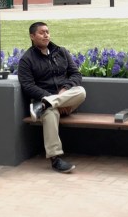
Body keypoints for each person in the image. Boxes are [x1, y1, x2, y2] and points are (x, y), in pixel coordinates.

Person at [18, 22, 86, 173]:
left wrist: (64, 90)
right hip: (46, 99)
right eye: (42, 32)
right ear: (32, 36)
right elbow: (28, 85)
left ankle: (47, 104)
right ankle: (55, 159)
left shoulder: (61, 52)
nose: (46, 35)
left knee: (81, 91)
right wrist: (49, 97)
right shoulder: (27, 60)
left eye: (47, 32)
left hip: (65, 98)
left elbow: (76, 74)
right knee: (50, 113)